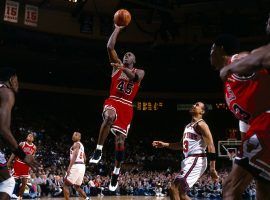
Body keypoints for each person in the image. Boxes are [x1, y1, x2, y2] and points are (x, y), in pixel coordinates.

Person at [210, 14, 270, 199]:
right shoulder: (229, 87)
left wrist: (230, 67)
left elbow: (257, 57)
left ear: (219, 49)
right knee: (263, 187)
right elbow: (246, 123)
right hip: (261, 127)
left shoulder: (237, 61)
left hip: (267, 123)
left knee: (229, 190)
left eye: (211, 50)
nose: (209, 56)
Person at [89, 24, 145, 191]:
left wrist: (123, 68)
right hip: (113, 100)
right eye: (125, 54)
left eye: (130, 55)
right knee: (109, 116)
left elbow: (135, 79)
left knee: (120, 141)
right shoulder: (117, 66)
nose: (126, 55)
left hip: (127, 106)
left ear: (133, 60)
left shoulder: (140, 71)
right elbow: (109, 46)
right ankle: (98, 150)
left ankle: (116, 171)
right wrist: (117, 28)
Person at [152, 102, 219, 200]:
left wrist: (212, 168)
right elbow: (181, 145)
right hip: (189, 160)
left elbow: (211, 146)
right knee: (181, 194)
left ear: (202, 111)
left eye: (197, 105)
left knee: (173, 188)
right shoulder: (187, 126)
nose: (193, 105)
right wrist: (164, 144)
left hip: (196, 159)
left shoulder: (201, 124)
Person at [0, 67, 38, 200]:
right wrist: (23, 155)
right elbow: (3, 129)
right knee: (8, 182)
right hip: (18, 164)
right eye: (17, 81)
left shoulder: (34, 147)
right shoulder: (6, 92)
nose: (18, 84)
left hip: (23, 169)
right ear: (11, 79)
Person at [7, 133, 36, 200]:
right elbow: (14, 152)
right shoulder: (22, 144)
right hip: (18, 164)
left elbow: (32, 158)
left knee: (24, 183)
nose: (30, 136)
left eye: (32, 136)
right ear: (27, 137)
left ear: (33, 139)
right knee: (12, 181)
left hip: (26, 166)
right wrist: (9, 161)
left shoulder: (34, 147)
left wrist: (32, 166)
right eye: (29, 135)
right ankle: (7, 194)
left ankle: (20, 197)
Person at [63, 132, 88, 200]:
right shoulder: (82, 146)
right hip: (82, 166)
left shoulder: (76, 144)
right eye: (73, 134)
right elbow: (85, 158)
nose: (74, 136)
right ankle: (87, 199)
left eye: (76, 135)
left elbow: (75, 155)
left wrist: (69, 167)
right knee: (77, 187)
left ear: (79, 138)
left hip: (76, 165)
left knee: (65, 185)